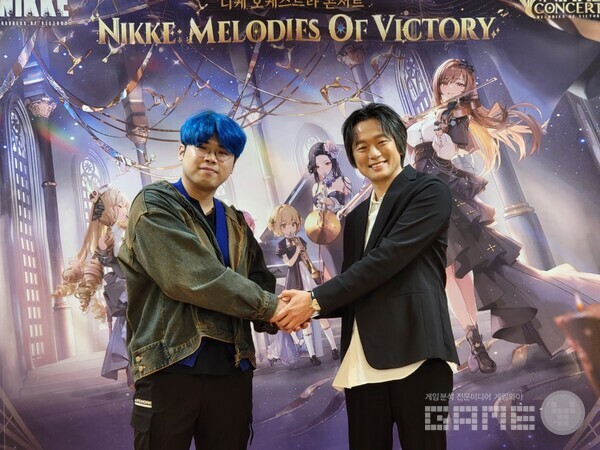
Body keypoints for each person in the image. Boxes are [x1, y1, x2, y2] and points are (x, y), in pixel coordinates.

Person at [276, 103, 459, 450]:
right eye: (361, 147)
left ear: (399, 143)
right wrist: (287, 309)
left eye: (381, 142)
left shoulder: (429, 191)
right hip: (361, 361)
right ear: (352, 156)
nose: (373, 153)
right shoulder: (356, 216)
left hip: (419, 356)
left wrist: (312, 301)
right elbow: (355, 284)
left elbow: (386, 260)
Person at [403, 58, 599, 368]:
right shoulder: (428, 116)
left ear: (468, 88)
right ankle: (474, 342)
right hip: (421, 200)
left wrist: (439, 133)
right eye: (447, 81)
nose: (452, 87)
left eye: (459, 83)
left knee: (458, 272)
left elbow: (446, 154)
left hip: (445, 199)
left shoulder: (457, 119)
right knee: (446, 274)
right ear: (438, 84)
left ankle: (479, 343)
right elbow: (410, 155)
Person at [117, 110, 285, 450]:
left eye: (223, 152)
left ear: (232, 164)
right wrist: (273, 308)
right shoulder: (153, 204)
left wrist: (291, 310)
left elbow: (261, 282)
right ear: (182, 151)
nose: (211, 157)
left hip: (232, 369)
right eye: (202, 147)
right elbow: (192, 277)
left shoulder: (236, 222)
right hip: (169, 366)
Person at [53, 186, 131, 383]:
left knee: (132, 340)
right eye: (122, 204)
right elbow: (118, 263)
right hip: (130, 293)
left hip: (134, 293)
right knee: (131, 340)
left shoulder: (121, 233)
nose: (126, 207)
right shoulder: (115, 235)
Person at [268, 204, 340, 366]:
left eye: (293, 224)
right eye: (284, 225)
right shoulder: (281, 246)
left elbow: (305, 258)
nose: (290, 228)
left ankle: (334, 348)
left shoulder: (300, 240)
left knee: (320, 312)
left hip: (307, 275)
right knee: (304, 318)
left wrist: (311, 266)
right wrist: (296, 250)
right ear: (279, 227)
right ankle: (312, 354)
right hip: (295, 279)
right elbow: (289, 263)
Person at [306, 141, 352, 278]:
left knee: (347, 267)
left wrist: (332, 204)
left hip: (342, 230)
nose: (323, 170)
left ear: (332, 161)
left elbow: (350, 207)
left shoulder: (344, 181)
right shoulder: (316, 187)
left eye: (326, 163)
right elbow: (314, 213)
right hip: (325, 234)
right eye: (318, 166)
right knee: (333, 271)